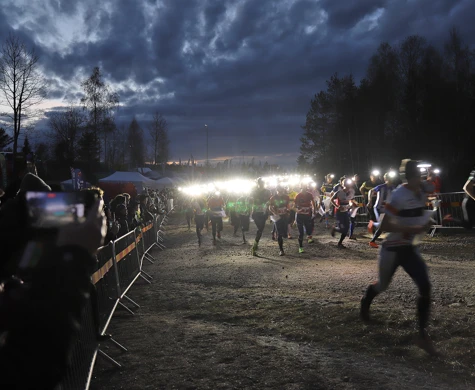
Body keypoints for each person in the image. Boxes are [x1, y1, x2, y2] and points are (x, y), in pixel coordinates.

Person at [360, 159, 438, 356]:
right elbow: (385, 226)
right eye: (419, 176)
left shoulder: (420, 192)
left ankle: (422, 335)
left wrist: (428, 220)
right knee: (382, 286)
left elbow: (420, 215)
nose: (422, 179)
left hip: (409, 249)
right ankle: (365, 305)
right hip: (392, 249)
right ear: (411, 177)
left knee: (425, 286)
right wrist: (413, 228)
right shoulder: (399, 195)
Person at [368, 172, 397, 248]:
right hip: (378, 208)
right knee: (382, 225)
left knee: (386, 225)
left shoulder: (394, 187)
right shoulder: (381, 187)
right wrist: (369, 201)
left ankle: (372, 226)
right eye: (388, 178)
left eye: (391, 178)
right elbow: (370, 191)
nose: (390, 179)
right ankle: (372, 241)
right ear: (385, 179)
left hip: (387, 209)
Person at [330, 178, 356, 248]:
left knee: (346, 228)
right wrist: (337, 206)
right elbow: (331, 199)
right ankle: (335, 229)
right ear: (343, 185)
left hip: (346, 212)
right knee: (342, 229)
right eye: (346, 185)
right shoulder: (339, 192)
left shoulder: (352, 192)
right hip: (339, 213)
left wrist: (351, 205)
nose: (348, 186)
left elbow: (351, 200)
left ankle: (340, 243)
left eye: (349, 185)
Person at [250, 178, 271, 256]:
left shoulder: (268, 191)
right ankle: (255, 245)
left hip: (263, 212)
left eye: (262, 183)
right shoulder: (254, 191)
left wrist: (268, 203)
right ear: (258, 183)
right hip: (256, 212)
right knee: (259, 229)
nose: (261, 184)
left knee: (260, 229)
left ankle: (255, 245)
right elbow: (251, 201)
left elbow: (270, 200)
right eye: (260, 183)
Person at [269, 185, 290, 256]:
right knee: (279, 234)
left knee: (284, 234)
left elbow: (288, 205)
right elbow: (270, 207)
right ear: (277, 190)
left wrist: (288, 209)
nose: (280, 191)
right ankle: (281, 250)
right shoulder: (273, 198)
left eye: (281, 190)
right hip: (277, 217)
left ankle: (276, 232)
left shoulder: (286, 197)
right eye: (279, 190)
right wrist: (274, 212)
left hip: (285, 216)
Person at [295, 183, 316, 253]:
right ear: (301, 188)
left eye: (305, 188)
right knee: (301, 233)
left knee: (309, 229)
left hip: (307, 215)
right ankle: (300, 247)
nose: (304, 189)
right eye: (303, 188)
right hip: (300, 216)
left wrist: (314, 210)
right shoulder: (298, 196)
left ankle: (309, 237)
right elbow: (293, 206)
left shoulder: (309, 195)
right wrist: (297, 210)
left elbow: (313, 202)